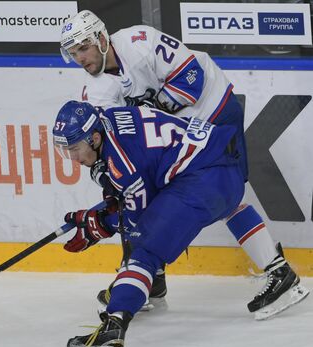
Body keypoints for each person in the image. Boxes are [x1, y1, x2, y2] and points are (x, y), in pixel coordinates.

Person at [59, 10, 306, 315]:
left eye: (83, 48)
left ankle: (278, 272)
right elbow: (109, 142)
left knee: (221, 194)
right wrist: (107, 181)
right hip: (179, 136)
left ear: (100, 38)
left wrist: (155, 108)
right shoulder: (95, 93)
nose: (80, 58)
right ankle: (152, 279)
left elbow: (192, 77)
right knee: (145, 196)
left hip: (213, 108)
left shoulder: (140, 41)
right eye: (73, 53)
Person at [52, 100, 309, 347]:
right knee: (224, 207)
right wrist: (107, 205)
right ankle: (279, 272)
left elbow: (136, 219)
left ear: (94, 138)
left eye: (74, 149)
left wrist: (101, 224)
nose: (73, 158)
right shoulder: (110, 118)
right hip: (225, 166)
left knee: (145, 249)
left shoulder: (123, 163)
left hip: (201, 181)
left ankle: (114, 325)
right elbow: (135, 176)